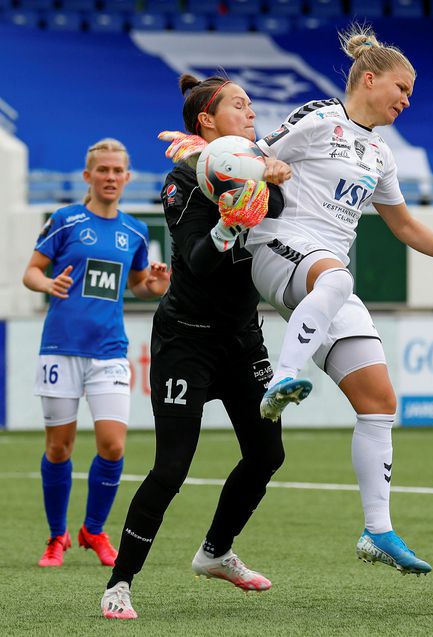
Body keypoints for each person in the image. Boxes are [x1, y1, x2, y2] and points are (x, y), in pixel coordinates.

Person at [245, 24, 433, 576]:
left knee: (381, 402)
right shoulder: (320, 118)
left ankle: (377, 530)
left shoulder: (380, 155)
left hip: (324, 274)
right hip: (277, 244)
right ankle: (282, 375)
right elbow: (249, 153)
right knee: (337, 278)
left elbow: (405, 226)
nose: (407, 100)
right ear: (369, 78)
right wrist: (264, 166)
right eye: (402, 88)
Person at [100, 73, 291, 620]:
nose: (252, 111)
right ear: (206, 120)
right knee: (171, 468)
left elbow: (280, 205)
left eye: (252, 102)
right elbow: (202, 261)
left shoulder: (259, 166)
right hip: (187, 339)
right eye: (239, 104)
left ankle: (215, 552)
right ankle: (120, 584)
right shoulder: (181, 179)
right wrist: (231, 222)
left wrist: (268, 182)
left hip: (242, 336)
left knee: (267, 453)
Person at [22, 139, 170, 569]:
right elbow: (31, 270)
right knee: (59, 449)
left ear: (127, 177)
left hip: (109, 350)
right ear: (88, 176)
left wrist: (154, 286)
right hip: (60, 349)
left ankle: (93, 530)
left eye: (117, 171)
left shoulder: (134, 231)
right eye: (101, 170)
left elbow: (139, 284)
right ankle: (56, 537)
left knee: (112, 445)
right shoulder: (65, 221)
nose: (109, 177)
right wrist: (47, 284)